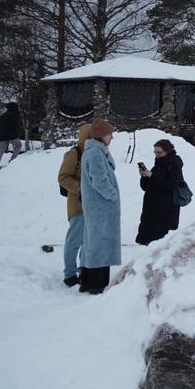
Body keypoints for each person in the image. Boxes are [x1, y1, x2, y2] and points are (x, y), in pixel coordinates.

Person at [79, 119, 121, 294]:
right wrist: (112, 194)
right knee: (99, 244)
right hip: (101, 207)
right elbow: (99, 179)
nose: (111, 137)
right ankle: (96, 284)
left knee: (95, 243)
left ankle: (88, 281)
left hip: (99, 207)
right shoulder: (95, 153)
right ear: (102, 135)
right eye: (109, 134)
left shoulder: (96, 151)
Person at [56, 123, 91, 287]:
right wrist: (81, 189)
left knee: (88, 241)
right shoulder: (73, 154)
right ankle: (69, 274)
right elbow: (63, 177)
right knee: (74, 241)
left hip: (93, 207)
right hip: (77, 205)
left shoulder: (95, 154)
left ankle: (83, 271)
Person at [136, 138, 185, 246]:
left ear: (168, 151)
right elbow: (146, 187)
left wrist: (152, 176)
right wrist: (144, 177)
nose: (156, 155)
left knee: (162, 245)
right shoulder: (157, 165)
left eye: (159, 152)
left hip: (166, 211)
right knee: (147, 244)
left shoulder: (175, 165)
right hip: (151, 211)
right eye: (155, 152)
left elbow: (170, 184)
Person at [0, 102, 23, 172]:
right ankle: (12, 162)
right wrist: (16, 133)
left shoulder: (3, 115)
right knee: (19, 145)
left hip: (1, 136)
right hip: (11, 135)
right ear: (15, 107)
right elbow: (14, 126)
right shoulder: (15, 115)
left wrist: (0, 133)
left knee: (0, 151)